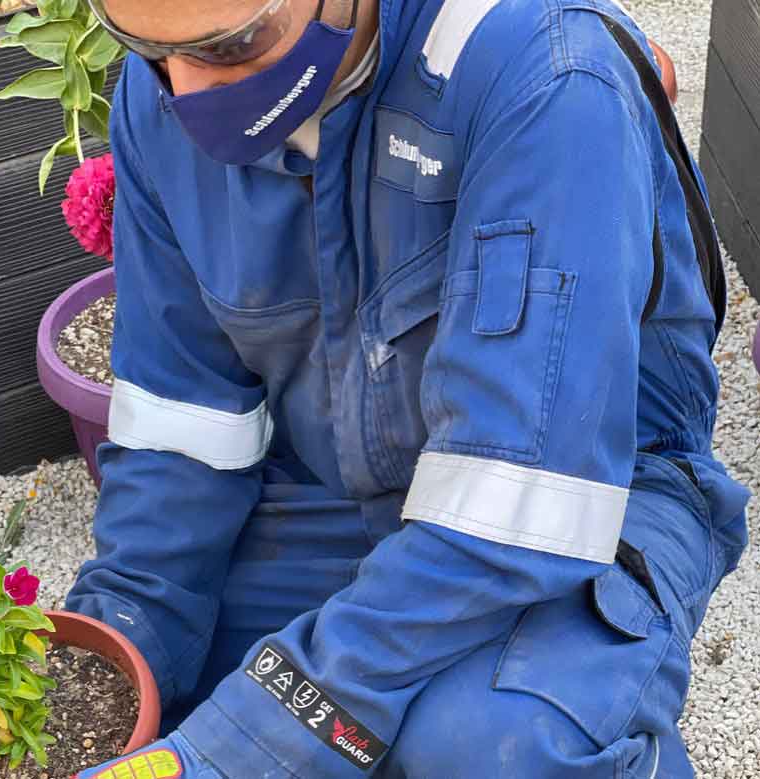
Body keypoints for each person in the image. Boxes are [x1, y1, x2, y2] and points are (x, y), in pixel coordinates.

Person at [65, 0, 751, 776]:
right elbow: (180, 420)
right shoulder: (160, 89)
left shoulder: (544, 75)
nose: (185, 93)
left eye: (236, 41)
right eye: (149, 48)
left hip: (578, 507)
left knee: (489, 743)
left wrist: (237, 745)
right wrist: (126, 634)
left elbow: (516, 499)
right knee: (141, 693)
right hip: (336, 490)